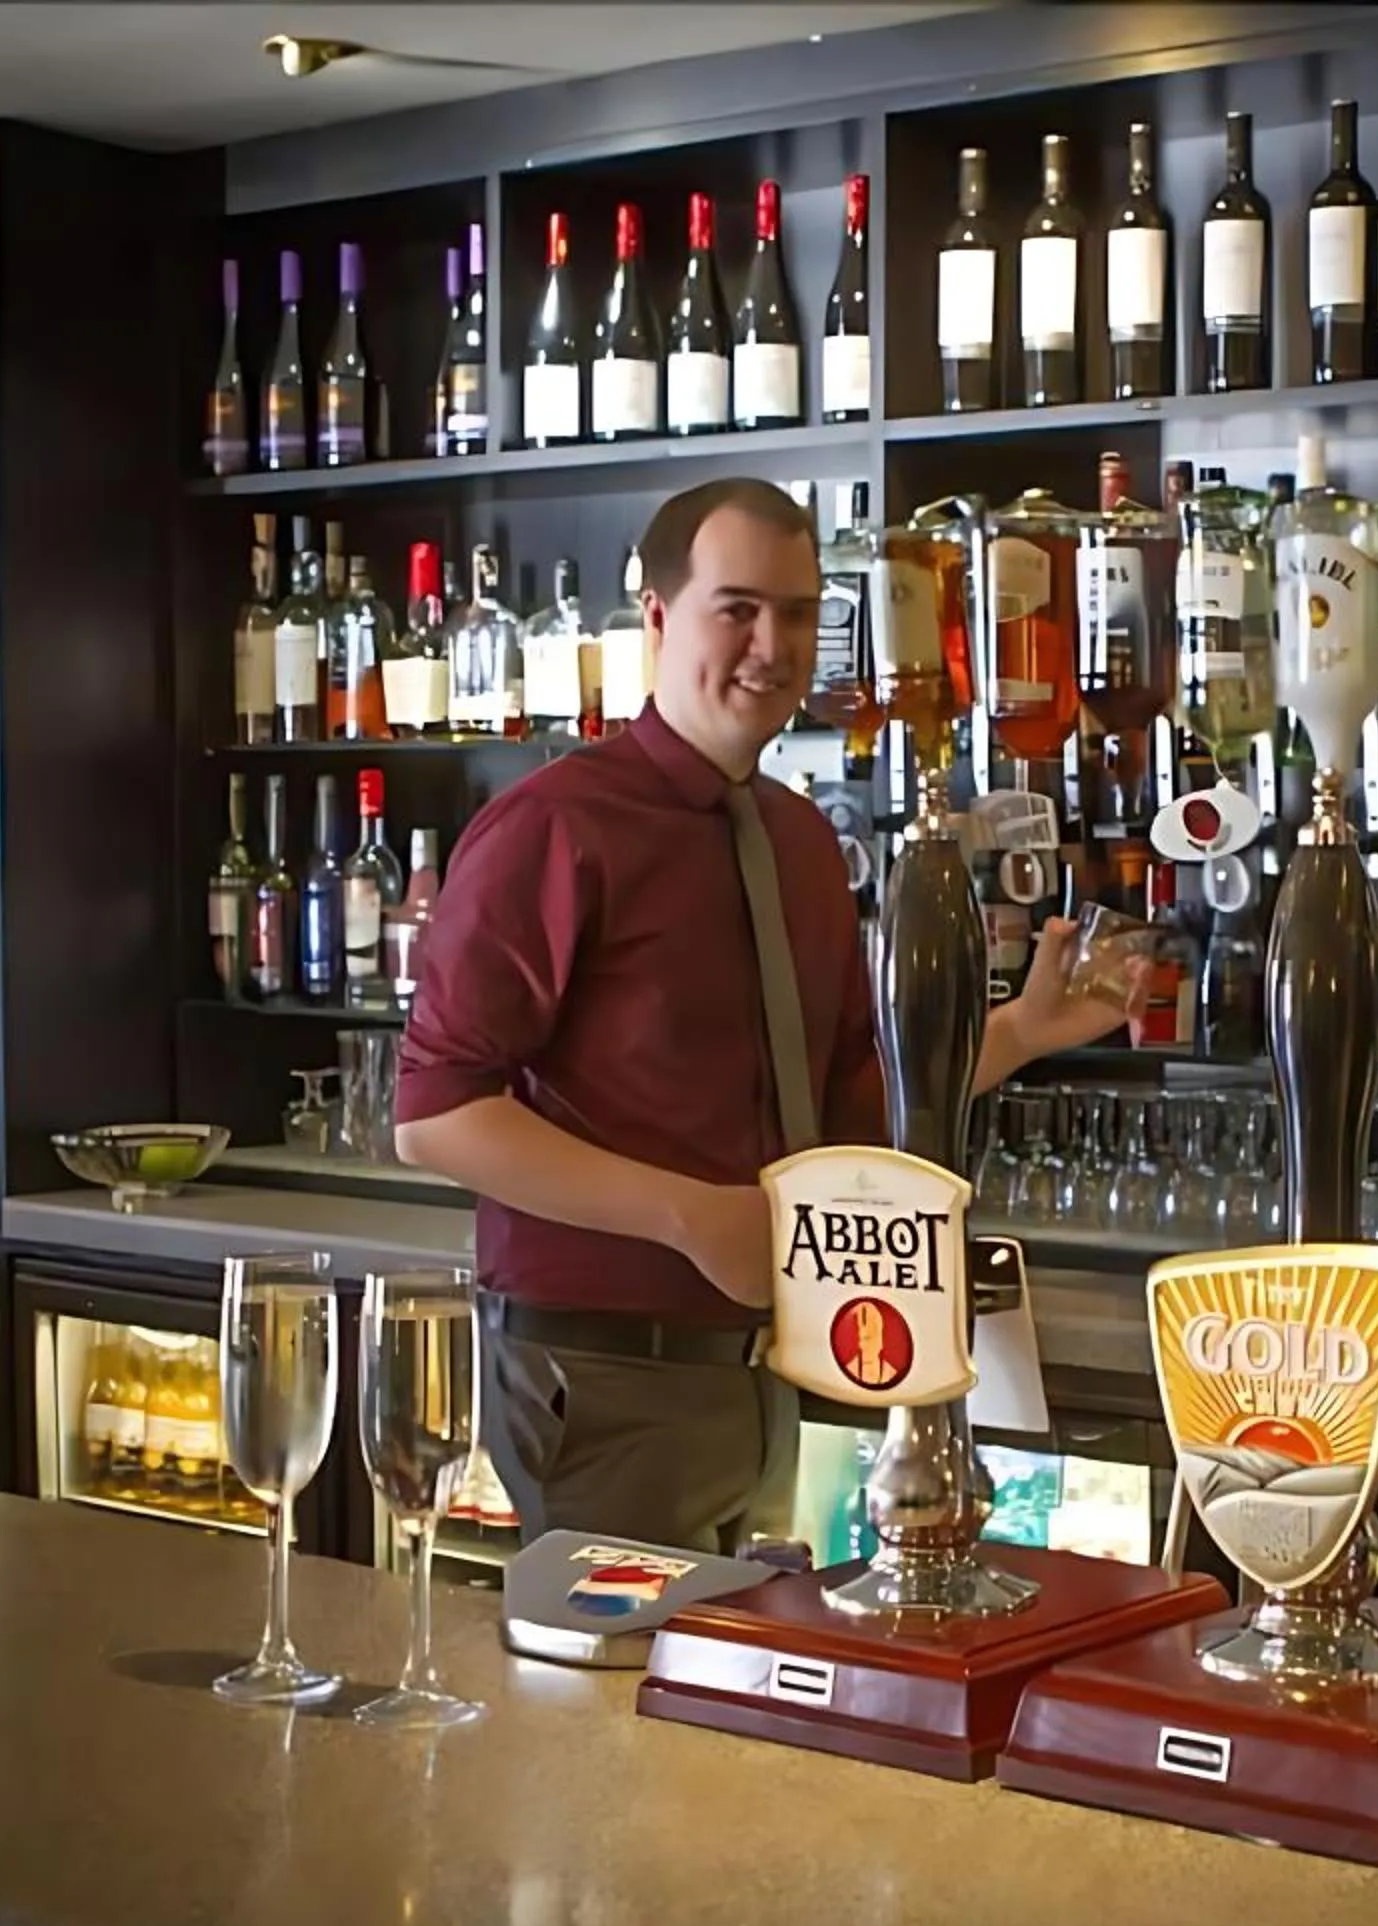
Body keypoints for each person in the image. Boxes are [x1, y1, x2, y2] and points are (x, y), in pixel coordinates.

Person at [394, 477, 1124, 1552]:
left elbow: (831, 1109)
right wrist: (689, 1215)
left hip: (783, 1378)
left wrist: (1011, 1036)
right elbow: (435, 1116)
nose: (771, 643)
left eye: (798, 611)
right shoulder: (554, 828)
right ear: (656, 615)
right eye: (736, 607)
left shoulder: (797, 840)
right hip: (606, 1381)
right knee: (611, 1715)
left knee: (747, 1712)